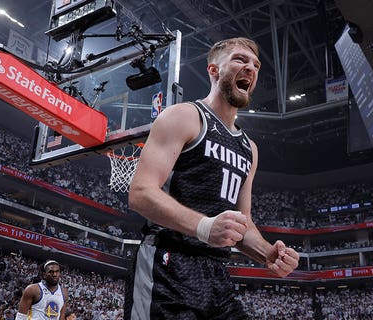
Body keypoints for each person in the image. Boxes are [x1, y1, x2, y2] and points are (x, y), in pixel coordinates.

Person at [126, 37, 300, 320]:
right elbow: (140, 193)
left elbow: (243, 226)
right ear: (214, 70)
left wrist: (267, 253)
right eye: (240, 60)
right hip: (168, 264)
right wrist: (205, 226)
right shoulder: (185, 116)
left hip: (217, 275)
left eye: (255, 65)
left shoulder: (249, 148)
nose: (251, 68)